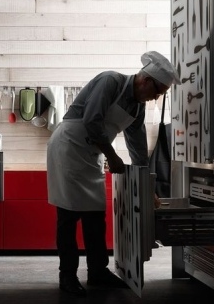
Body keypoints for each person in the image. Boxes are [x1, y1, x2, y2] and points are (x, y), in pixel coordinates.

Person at [46, 51, 181, 297]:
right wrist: (112, 155)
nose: (155, 98)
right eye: (157, 92)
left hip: (91, 153)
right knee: (68, 216)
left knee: (96, 215)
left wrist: (148, 188)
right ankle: (67, 275)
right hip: (69, 147)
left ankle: (97, 272)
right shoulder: (111, 81)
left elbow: (138, 150)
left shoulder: (137, 108)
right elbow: (92, 120)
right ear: (145, 80)